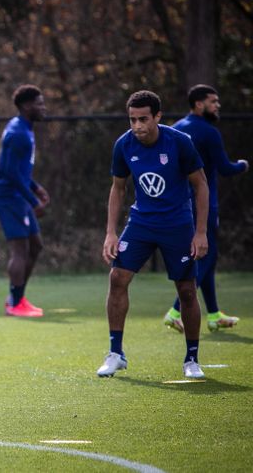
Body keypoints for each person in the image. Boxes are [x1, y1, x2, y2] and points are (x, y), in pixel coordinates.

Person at [99, 90, 209, 379]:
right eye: (133, 119)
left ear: (158, 116)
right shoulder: (123, 145)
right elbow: (118, 188)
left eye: (143, 119)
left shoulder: (180, 143)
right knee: (117, 277)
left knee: (186, 289)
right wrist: (111, 233)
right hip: (141, 223)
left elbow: (201, 186)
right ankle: (115, 353)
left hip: (178, 224)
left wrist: (200, 233)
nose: (137, 126)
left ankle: (192, 358)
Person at [162, 85, 248, 333]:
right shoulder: (209, 132)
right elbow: (225, 168)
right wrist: (242, 165)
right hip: (204, 204)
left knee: (205, 258)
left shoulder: (175, 129)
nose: (217, 105)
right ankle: (175, 310)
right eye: (213, 101)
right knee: (207, 257)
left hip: (180, 205)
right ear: (198, 104)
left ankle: (213, 314)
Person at [0, 84, 50, 317]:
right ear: (26, 106)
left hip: (18, 195)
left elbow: (19, 170)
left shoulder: (23, 128)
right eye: (39, 103)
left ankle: (17, 298)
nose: (43, 107)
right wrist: (33, 201)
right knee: (20, 250)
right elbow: (10, 173)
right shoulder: (18, 133)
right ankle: (15, 304)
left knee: (35, 245)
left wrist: (36, 187)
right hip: (9, 196)